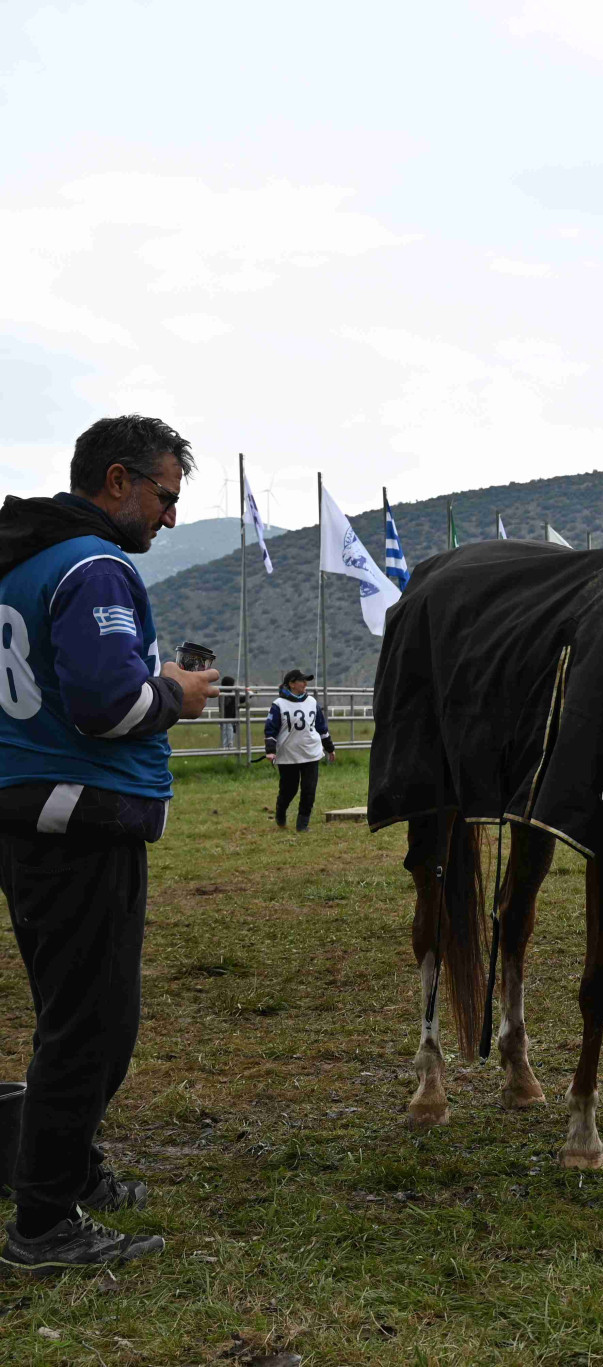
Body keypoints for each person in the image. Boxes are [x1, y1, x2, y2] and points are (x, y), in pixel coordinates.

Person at [0, 414, 218, 1271]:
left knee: (74, 1014)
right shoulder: (93, 566)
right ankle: (43, 1222)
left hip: (30, 819)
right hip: (80, 826)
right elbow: (107, 707)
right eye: (165, 497)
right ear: (118, 480)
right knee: (91, 1027)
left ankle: (70, 1167)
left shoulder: (21, 559)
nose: (169, 517)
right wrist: (173, 691)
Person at [264, 669, 333, 831]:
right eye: (302, 681)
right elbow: (270, 730)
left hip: (311, 753)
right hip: (289, 755)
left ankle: (303, 824)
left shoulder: (312, 702)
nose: (305, 684)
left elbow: (321, 727)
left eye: (306, 681)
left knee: (309, 790)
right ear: (292, 684)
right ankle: (280, 811)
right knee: (289, 789)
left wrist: (330, 748)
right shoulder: (279, 705)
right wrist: (270, 750)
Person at [217, 675, 238, 749]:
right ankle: (224, 753)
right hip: (226, 720)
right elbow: (228, 702)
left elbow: (239, 699)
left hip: (231, 719)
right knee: (226, 738)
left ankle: (228, 752)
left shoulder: (230, 695)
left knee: (231, 737)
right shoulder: (223, 695)